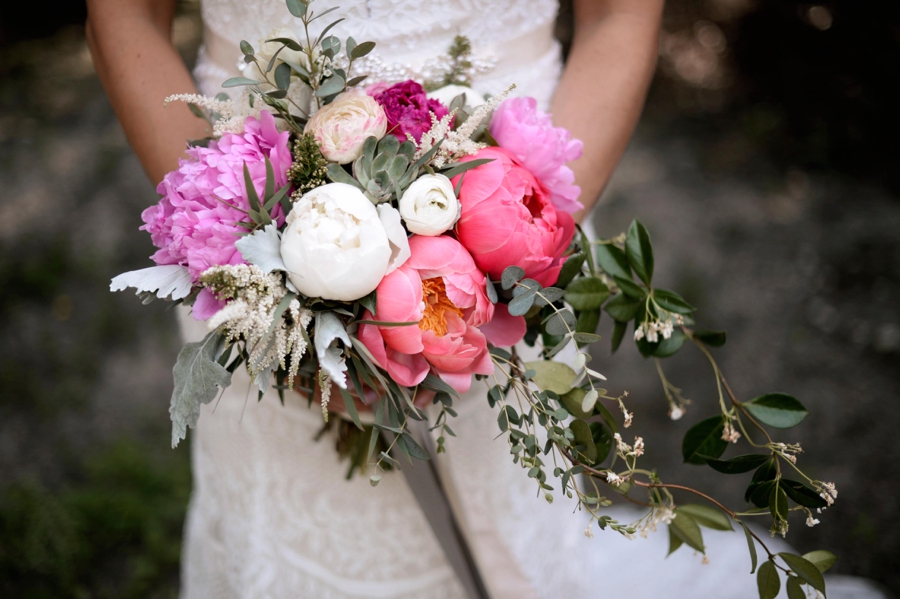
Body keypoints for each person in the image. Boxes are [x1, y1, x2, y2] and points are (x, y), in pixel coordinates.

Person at [85, 1, 888, 597]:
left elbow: (620, 19)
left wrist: (512, 248)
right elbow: (122, 16)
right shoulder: (253, 262)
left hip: (514, 231)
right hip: (253, 225)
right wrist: (258, 271)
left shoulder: (515, 247)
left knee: (513, 536)